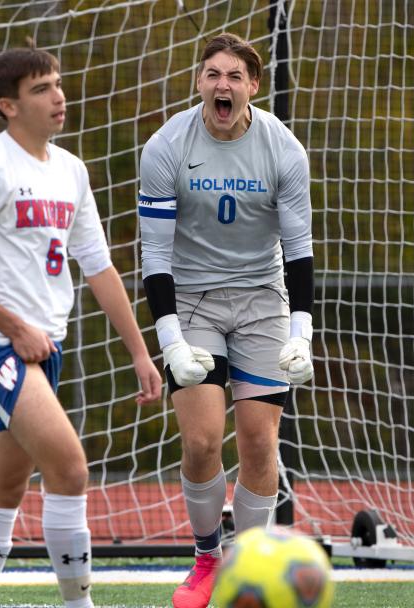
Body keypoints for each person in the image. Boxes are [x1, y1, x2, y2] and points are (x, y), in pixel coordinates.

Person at [0, 45, 162, 608]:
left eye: (57, 84)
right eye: (41, 89)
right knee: (70, 467)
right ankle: (78, 604)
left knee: (5, 489)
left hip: (44, 347)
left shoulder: (70, 170)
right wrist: (14, 328)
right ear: (8, 106)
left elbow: (99, 266)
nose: (58, 96)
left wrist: (139, 352)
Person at [137, 32, 316, 608]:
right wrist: (170, 342)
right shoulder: (166, 147)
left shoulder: (283, 149)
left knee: (261, 444)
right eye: (213, 73)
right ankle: (207, 558)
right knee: (201, 441)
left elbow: (300, 253)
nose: (223, 85)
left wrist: (302, 334)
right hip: (191, 298)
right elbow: (156, 258)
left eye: (235, 76)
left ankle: (249, 563)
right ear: (199, 81)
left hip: (263, 296)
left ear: (252, 87)